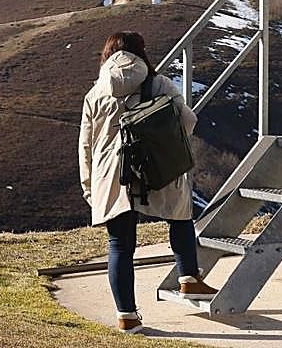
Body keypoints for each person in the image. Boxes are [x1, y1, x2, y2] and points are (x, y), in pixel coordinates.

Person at [78, 30, 216, 334]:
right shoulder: (159, 83)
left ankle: (127, 316)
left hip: (114, 174)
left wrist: (90, 188)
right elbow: (188, 122)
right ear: (141, 53)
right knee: (180, 215)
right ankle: (188, 278)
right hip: (155, 165)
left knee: (120, 245)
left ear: (107, 56)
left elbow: (86, 145)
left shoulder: (96, 92)